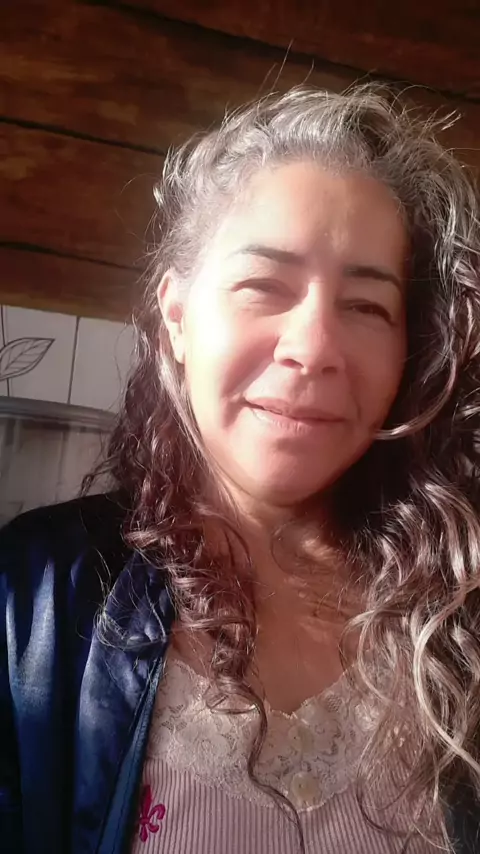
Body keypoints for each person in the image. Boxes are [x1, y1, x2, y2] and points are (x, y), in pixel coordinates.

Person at [1, 82, 479, 854]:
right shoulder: (32, 598)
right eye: (263, 286)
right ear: (176, 318)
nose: (314, 348)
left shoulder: (454, 610)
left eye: (367, 306)